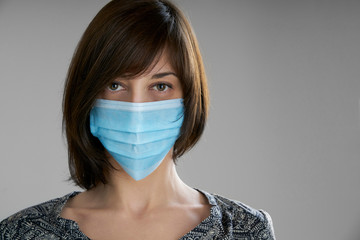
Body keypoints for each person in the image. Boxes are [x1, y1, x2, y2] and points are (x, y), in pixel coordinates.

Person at [0, 0, 276, 239]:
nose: (137, 109)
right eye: (115, 85)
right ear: (86, 96)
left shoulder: (247, 230)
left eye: (160, 86)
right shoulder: (21, 232)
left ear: (189, 99)